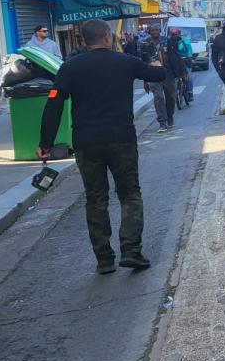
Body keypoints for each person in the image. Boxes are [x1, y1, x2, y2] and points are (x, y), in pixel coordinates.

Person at [38, 20, 166, 273]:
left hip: (86, 142)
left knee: (96, 198)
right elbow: (158, 75)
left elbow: (54, 103)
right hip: (121, 139)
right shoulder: (126, 62)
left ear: (83, 41)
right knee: (129, 193)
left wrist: (45, 143)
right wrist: (157, 64)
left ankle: (104, 259)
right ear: (108, 37)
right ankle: (131, 250)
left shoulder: (70, 67)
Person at [139, 25, 177, 132]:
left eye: (156, 30)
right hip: (153, 74)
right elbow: (143, 63)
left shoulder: (167, 41)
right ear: (149, 32)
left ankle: (170, 116)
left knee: (171, 97)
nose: (155, 32)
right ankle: (162, 122)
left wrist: (179, 72)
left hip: (168, 73)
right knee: (158, 97)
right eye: (152, 30)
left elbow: (174, 56)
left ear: (160, 31)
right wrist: (145, 80)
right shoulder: (144, 44)